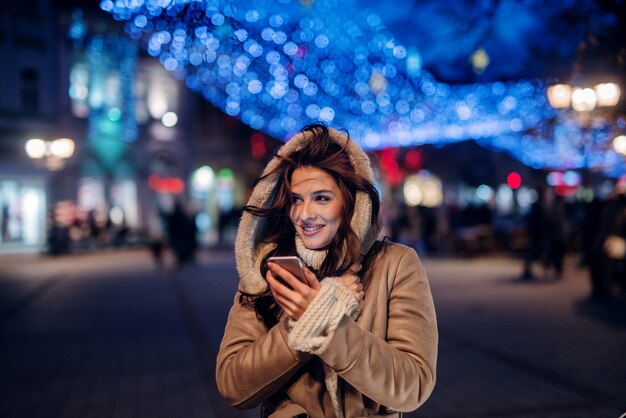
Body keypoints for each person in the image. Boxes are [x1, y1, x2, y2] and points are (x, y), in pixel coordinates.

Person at [216, 124, 438, 417]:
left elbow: (413, 386)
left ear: (350, 203)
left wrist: (329, 326)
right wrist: (304, 322)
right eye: (296, 199)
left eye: (321, 198)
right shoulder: (268, 270)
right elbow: (233, 384)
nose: (305, 214)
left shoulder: (395, 265)